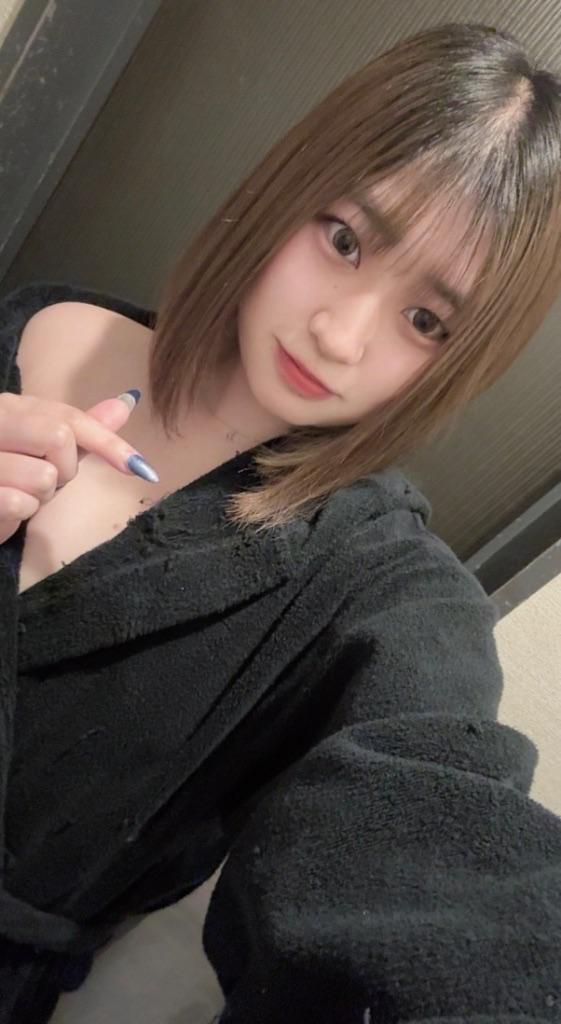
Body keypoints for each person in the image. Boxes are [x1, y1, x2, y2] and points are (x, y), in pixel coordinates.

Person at [0, 19, 560, 1023]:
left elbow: (428, 844)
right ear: (291, 187)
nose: (339, 335)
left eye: (425, 320)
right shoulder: (36, 321)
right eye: (344, 239)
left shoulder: (377, 588)